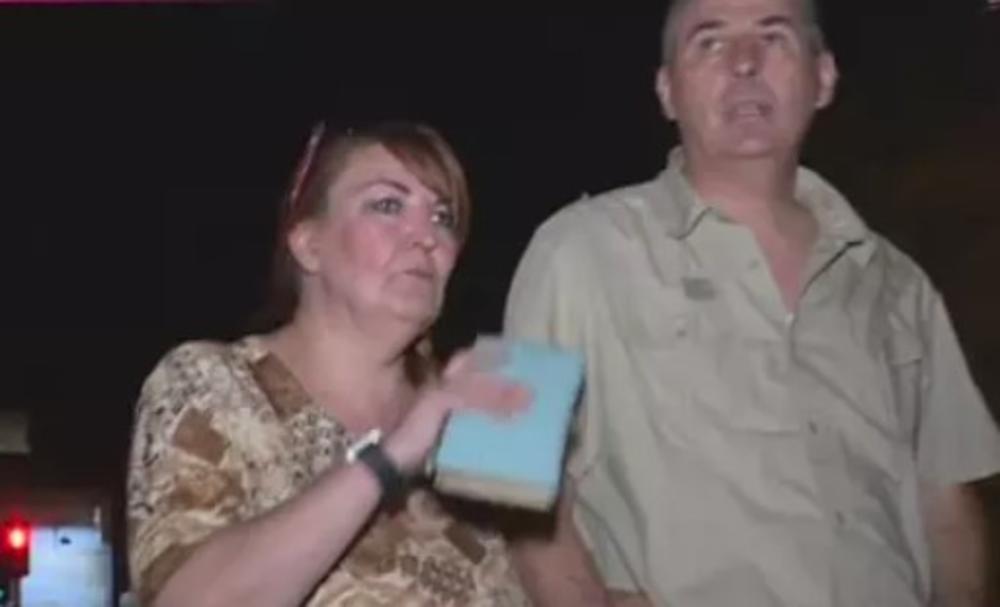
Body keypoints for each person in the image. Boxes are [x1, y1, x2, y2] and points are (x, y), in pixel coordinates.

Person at [504, 1, 1000, 606]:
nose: (743, 62)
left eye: (774, 37)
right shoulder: (571, 247)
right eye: (708, 43)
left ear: (824, 78)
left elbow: (947, 506)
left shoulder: (901, 286)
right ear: (667, 91)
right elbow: (497, 466)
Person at [126, 120, 537, 606]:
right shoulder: (214, 385)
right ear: (309, 244)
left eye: (442, 216)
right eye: (388, 205)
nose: (426, 236)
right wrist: (390, 459)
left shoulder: (472, 410)